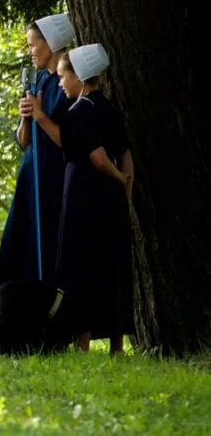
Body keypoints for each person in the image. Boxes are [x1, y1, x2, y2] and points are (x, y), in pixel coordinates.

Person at [55, 44, 135, 354]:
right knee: (112, 263)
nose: (61, 83)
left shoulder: (79, 111)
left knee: (82, 263)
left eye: (64, 77)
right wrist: (124, 191)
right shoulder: (110, 108)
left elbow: (99, 159)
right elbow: (125, 155)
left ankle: (83, 341)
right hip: (111, 199)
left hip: (84, 194)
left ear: (80, 77)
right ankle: (117, 342)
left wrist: (118, 177)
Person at [0, 13, 76, 287]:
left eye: (33, 44)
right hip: (31, 171)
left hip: (54, 172)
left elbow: (70, 140)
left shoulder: (68, 85)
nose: (30, 51)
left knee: (50, 241)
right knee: (23, 238)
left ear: (51, 43)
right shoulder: (38, 80)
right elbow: (23, 141)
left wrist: (40, 116)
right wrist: (26, 118)